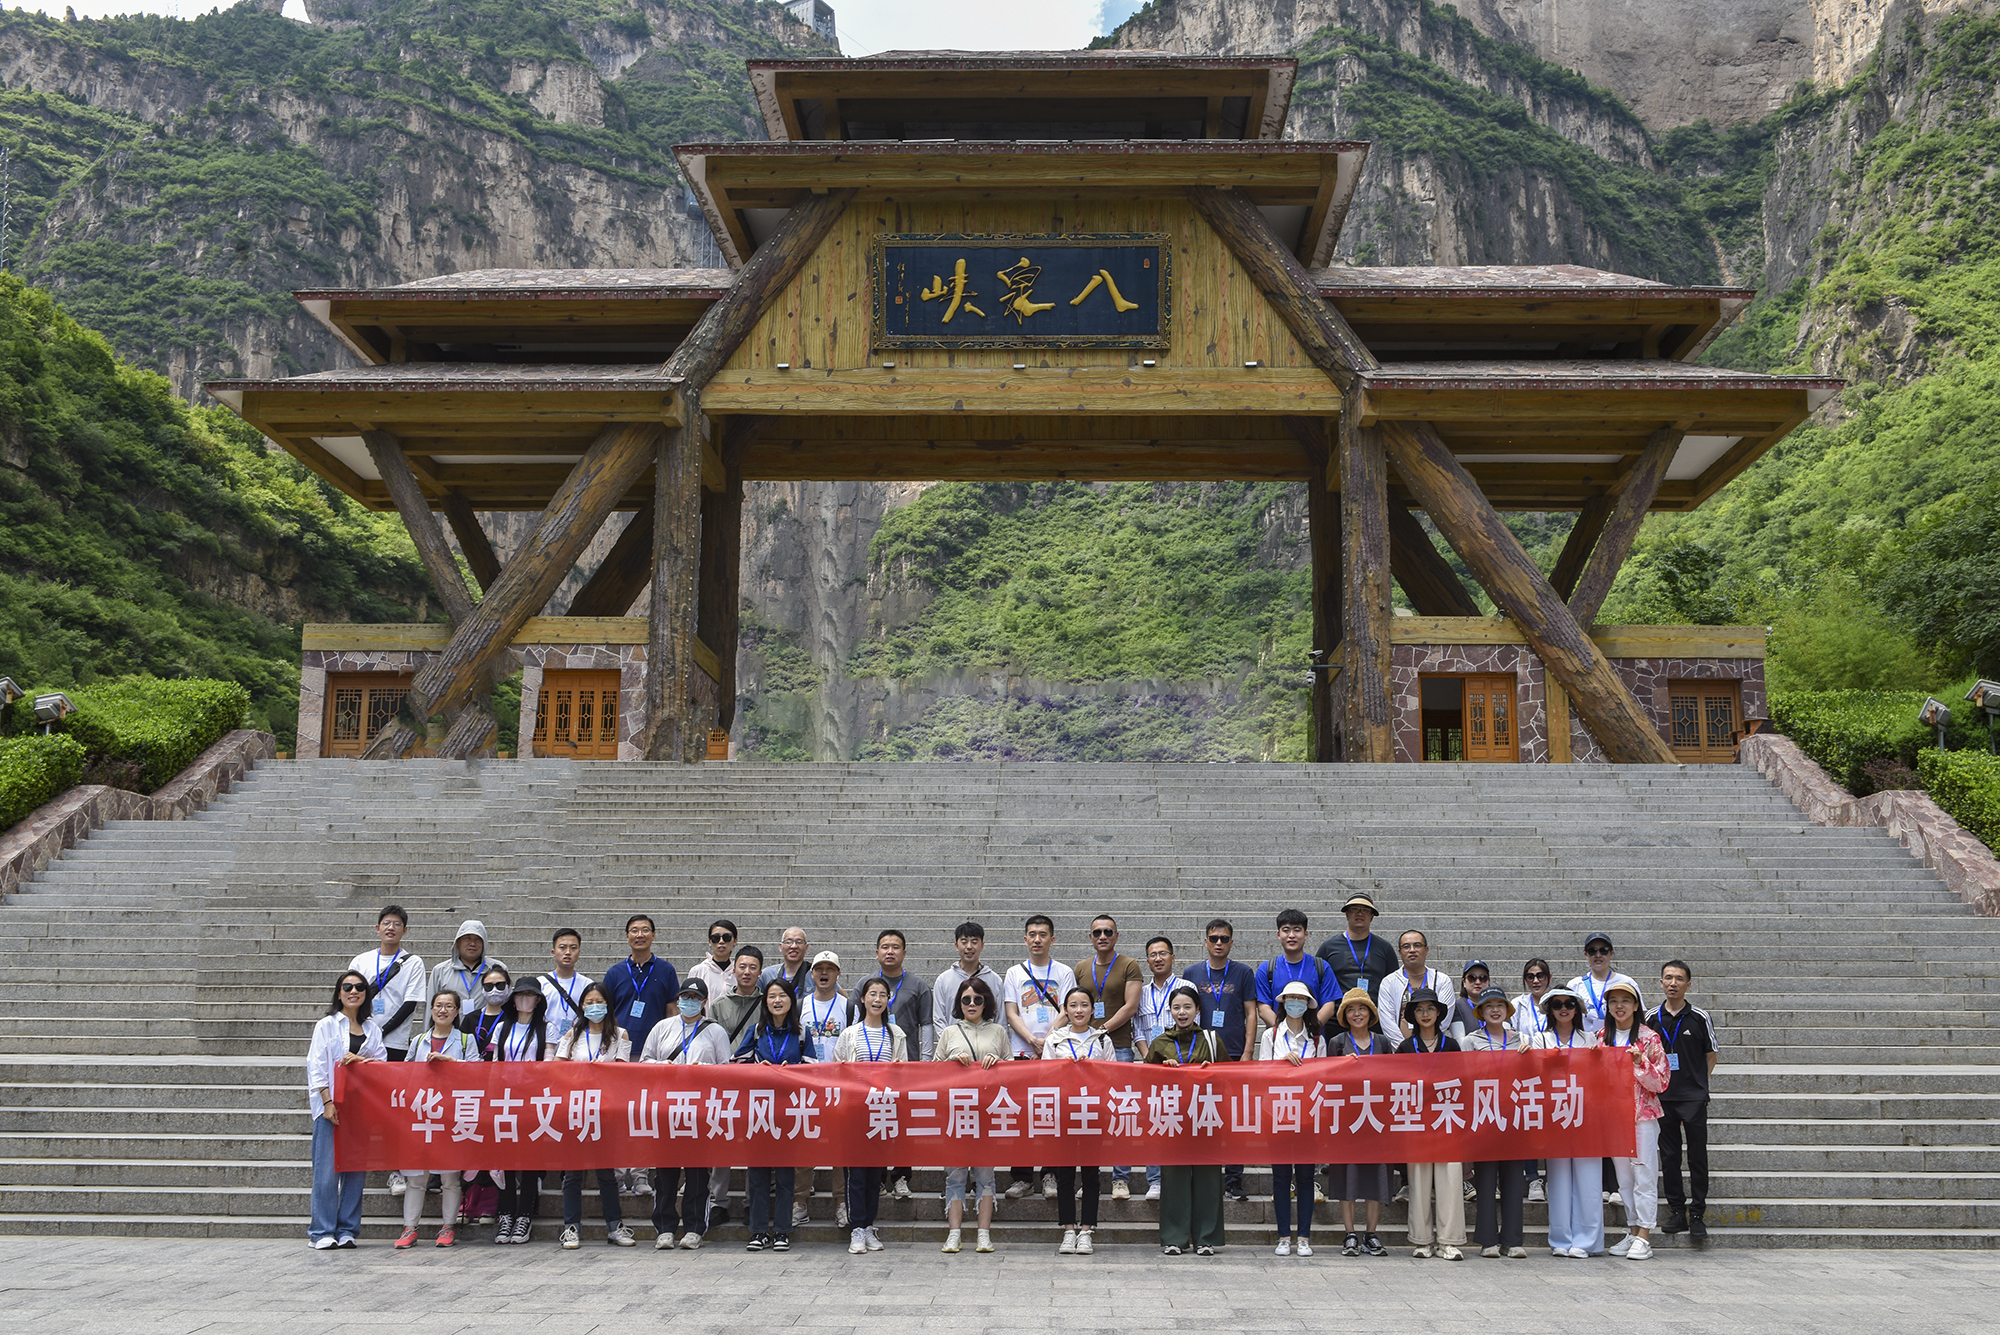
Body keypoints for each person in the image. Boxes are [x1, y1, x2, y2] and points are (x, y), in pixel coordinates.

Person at [639, 977, 732, 1250]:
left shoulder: (715, 1031)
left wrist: (705, 1070)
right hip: (667, 1109)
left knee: (697, 1174)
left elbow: (726, 1070)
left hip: (700, 1111)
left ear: (704, 1002)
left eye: (695, 998)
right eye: (685, 997)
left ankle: (694, 1228)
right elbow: (644, 1063)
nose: (689, 1002)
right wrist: (661, 1066)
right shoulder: (662, 1028)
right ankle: (665, 1227)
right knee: (665, 1173)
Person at [553, 981, 635, 1250]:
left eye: (599, 1001)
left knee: (607, 1175)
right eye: (589, 1002)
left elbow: (624, 1073)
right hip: (576, 1111)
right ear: (582, 1006)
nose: (594, 1006)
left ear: (608, 1004)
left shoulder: (620, 1035)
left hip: (606, 1113)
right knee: (573, 1174)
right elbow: (556, 1070)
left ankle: (614, 1226)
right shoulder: (572, 1036)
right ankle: (571, 1227)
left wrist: (604, 1072)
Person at [306, 970, 384, 1249]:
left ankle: (347, 1229)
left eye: (360, 987)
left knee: (355, 1173)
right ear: (339, 993)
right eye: (347, 987)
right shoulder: (326, 1025)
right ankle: (322, 1231)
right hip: (331, 1107)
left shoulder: (374, 1029)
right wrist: (327, 1102)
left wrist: (362, 1060)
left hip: (360, 1108)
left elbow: (382, 1066)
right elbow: (316, 1067)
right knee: (326, 1172)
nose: (354, 991)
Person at [396, 990, 479, 1249]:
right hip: (421, 1114)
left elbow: (477, 1073)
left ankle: (448, 1227)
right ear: (431, 1010)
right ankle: (409, 1229)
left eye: (449, 1006)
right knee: (416, 1178)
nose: (443, 1010)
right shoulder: (419, 1040)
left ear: (457, 1012)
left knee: (449, 1178)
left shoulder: (465, 1040)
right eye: (438, 1005)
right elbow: (403, 1074)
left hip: (452, 1115)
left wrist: (450, 1061)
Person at [1146, 983, 1225, 1255]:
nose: (1182, 1012)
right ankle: (1174, 1239)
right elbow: (1144, 1083)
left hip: (1205, 1116)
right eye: (1177, 1007)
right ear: (1170, 1011)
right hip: (1172, 1119)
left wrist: (1210, 1071)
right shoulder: (1160, 1043)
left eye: (1187, 1007)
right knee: (1174, 1179)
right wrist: (1162, 1071)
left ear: (1198, 1010)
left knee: (1208, 1179)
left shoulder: (1211, 1041)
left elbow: (1229, 1080)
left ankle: (1206, 1239)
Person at [1003, 915, 1076, 1201]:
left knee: (1051, 1115)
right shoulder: (1014, 973)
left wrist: (1047, 1040)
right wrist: (1032, 1040)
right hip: (1022, 1052)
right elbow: (1012, 1012)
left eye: (1043, 934)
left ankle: (1050, 1173)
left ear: (1052, 939)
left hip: (1055, 1053)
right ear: (1025, 939)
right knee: (1021, 1116)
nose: (1037, 939)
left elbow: (1068, 1009)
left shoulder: (1064, 972)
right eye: (1032, 934)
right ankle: (1022, 1177)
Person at [736, 978, 811, 1253]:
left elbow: (813, 1067)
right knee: (757, 1174)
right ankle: (757, 1231)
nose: (777, 1000)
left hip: (789, 1111)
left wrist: (792, 1069)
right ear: (765, 1002)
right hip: (758, 1111)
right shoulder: (756, 1032)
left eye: (782, 996)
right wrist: (759, 1067)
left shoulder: (801, 1033)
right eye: (771, 996)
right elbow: (737, 1064)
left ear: (791, 1000)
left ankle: (781, 1230)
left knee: (785, 1175)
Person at [935, 975, 1008, 1254]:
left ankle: (983, 1233)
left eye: (978, 999)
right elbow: (933, 1072)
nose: (972, 1004)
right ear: (959, 1003)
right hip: (956, 1113)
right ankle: (954, 1233)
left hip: (988, 1113)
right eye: (966, 999)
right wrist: (951, 1063)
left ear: (986, 1002)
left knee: (986, 1175)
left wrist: (999, 1063)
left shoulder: (999, 1032)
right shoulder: (949, 1033)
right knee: (954, 1175)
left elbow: (1013, 1073)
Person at [857, 928, 931, 1201]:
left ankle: (901, 1176)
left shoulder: (918, 985)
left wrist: (923, 1064)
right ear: (876, 952)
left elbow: (926, 1025)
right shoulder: (865, 984)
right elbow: (856, 1021)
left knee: (901, 1124)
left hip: (903, 1065)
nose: (890, 951)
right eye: (885, 947)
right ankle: (875, 1178)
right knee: (873, 1123)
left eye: (895, 947)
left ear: (904, 952)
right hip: (868, 1072)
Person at [1184, 918, 1255, 1200]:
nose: (1218, 943)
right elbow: (1184, 1010)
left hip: (1234, 1053)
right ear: (1205, 941)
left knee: (1233, 1118)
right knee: (1202, 1116)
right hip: (1200, 1055)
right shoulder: (1191, 972)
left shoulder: (1243, 972)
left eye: (1224, 939)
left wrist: (1249, 1051)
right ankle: (1204, 1175)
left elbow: (1251, 1012)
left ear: (1231, 942)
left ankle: (1233, 1179)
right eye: (1213, 938)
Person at [835, 976, 906, 1255]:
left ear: (888, 1000)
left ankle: (869, 1226)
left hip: (883, 1109)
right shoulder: (850, 1033)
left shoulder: (896, 1034)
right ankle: (857, 1228)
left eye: (882, 995)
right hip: (855, 1110)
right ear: (862, 999)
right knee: (857, 1174)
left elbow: (904, 1072)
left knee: (876, 1173)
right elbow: (838, 1070)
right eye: (872, 994)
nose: (877, 999)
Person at [1649, 959, 1719, 1241]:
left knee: (1697, 1156)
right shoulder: (1651, 1018)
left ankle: (1698, 1213)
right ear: (1661, 982)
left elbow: (1711, 1055)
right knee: (1669, 1157)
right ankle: (1677, 1211)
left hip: (1693, 1097)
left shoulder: (1699, 1017)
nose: (1673, 983)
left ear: (1688, 984)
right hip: (1663, 1097)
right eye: (1668, 978)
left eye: (1679, 979)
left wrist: (1698, 1083)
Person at [1041, 986, 1113, 1255]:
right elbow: (1044, 1077)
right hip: (1064, 1114)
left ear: (1093, 1009)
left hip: (1093, 1114)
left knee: (1091, 1175)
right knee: (1065, 1175)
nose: (1079, 1010)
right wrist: (1065, 1068)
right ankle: (1068, 1230)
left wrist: (1091, 1069)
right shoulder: (1055, 1040)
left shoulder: (1102, 1040)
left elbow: (1112, 1077)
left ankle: (1087, 1231)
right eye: (1073, 1005)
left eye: (1084, 1005)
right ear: (1066, 1010)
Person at [1075, 914, 1143, 1199]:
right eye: (1097, 932)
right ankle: (1088, 1177)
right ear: (1090, 937)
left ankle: (1120, 1178)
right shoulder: (1080, 967)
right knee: (1089, 1114)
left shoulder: (1129, 965)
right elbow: (1074, 1004)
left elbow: (1131, 1006)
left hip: (1120, 1046)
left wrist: (1101, 1029)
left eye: (1108, 932)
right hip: (1087, 1049)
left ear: (1116, 936)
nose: (1102, 936)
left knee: (1121, 1113)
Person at [1393, 987, 1464, 1260]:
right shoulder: (1406, 1047)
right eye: (1420, 1009)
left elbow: (1462, 1083)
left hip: (1447, 1121)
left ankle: (1449, 1240)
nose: (1425, 1014)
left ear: (1438, 1013)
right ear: (1413, 1014)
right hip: (1417, 1123)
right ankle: (1421, 1240)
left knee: (1450, 1179)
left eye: (1430, 1009)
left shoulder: (1452, 1045)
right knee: (1419, 1182)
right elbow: (1397, 1083)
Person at [1602, 980, 1670, 1260]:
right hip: (1614, 1119)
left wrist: (1640, 1062)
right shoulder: (1600, 1038)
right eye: (1614, 1001)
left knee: (1644, 1175)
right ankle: (1632, 1231)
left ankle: (1644, 1234)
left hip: (1642, 1117)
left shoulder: (1648, 1037)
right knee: (1624, 1179)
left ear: (1636, 1005)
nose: (1619, 1006)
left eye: (1625, 1001)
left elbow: (1662, 1082)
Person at [1256, 980, 1325, 1256]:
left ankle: (1305, 1237)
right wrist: (1281, 1064)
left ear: (1307, 1003)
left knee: (1307, 1177)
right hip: (1278, 1114)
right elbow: (1261, 1073)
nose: (1295, 1002)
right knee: (1281, 1178)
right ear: (1283, 1002)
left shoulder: (1318, 1038)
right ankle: (1284, 1236)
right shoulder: (1272, 1036)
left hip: (1308, 1115)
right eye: (1290, 998)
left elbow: (1325, 1076)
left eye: (1300, 998)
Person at [1461, 986, 1530, 1259]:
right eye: (1489, 1006)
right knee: (1486, 1179)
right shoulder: (1470, 1041)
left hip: (1514, 1116)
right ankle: (1488, 1240)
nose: (1495, 1010)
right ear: (1481, 1011)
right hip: (1484, 1114)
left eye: (1500, 1005)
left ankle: (1512, 1240)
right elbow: (1464, 1077)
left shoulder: (1522, 1039)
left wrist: (1529, 1056)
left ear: (1507, 1010)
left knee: (1514, 1178)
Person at [1535, 987, 1603, 1259]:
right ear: (1550, 1010)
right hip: (1555, 1116)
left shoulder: (1591, 1039)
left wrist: (1600, 1055)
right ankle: (1560, 1240)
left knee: (1588, 1179)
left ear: (1578, 1010)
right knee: (1559, 1179)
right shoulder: (1540, 1039)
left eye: (1569, 1004)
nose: (1563, 1008)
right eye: (1557, 1004)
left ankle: (1587, 1241)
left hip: (1587, 1115)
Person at [487, 978, 551, 1245]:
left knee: (530, 1160)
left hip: (533, 1100)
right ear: (513, 999)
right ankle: (505, 1214)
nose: (525, 999)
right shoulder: (502, 1027)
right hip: (505, 1100)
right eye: (521, 995)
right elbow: (492, 1063)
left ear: (538, 1000)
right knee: (506, 1159)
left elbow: (549, 1064)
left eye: (530, 995)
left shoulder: (546, 1029)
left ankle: (524, 1214)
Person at [1327, 988, 1391, 1256]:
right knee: (1347, 1176)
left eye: (1362, 1009)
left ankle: (1371, 1233)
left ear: (1371, 1013)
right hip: (1347, 1120)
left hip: (1376, 1119)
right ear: (1344, 1015)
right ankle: (1350, 1233)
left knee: (1376, 1176)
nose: (1357, 1014)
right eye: (1351, 1009)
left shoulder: (1383, 1042)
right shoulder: (1337, 1042)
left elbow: (1392, 1078)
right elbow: (1327, 1079)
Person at [454, 963, 511, 1227]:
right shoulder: (470, 1019)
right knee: (472, 1144)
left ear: (508, 988)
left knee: (496, 1147)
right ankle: (468, 1203)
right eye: (489, 986)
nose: (495, 990)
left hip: (503, 1091)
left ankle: (490, 1205)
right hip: (472, 1091)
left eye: (500, 985)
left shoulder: (511, 1020)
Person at [798, 950, 851, 1227]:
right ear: (812, 973)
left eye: (830, 968)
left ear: (838, 974)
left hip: (839, 1085)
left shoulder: (848, 1006)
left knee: (840, 1147)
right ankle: (799, 1202)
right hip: (807, 1085)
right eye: (820, 968)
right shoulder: (800, 1005)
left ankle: (842, 1203)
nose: (824, 973)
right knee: (805, 1143)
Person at [1133, 935, 1180, 1201]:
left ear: (1173, 957)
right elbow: (1138, 1030)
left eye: (1163, 953)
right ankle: (1154, 1179)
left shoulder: (1185, 986)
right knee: (1155, 1121)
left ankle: (1178, 1175)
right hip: (1153, 1067)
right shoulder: (1142, 992)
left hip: (1181, 1066)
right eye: (1153, 954)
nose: (1158, 958)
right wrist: (1150, 1057)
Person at [350, 905, 426, 1063]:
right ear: (378, 928)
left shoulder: (414, 963)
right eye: (386, 923)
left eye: (397, 924)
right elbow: (349, 998)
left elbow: (410, 1003)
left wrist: (382, 1031)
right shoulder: (360, 961)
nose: (391, 928)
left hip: (395, 1040)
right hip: (361, 1035)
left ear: (405, 930)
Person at [603, 914, 678, 1055]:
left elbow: (672, 1011)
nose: (640, 935)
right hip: (620, 1046)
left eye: (645, 930)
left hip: (656, 1045)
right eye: (634, 930)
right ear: (627, 935)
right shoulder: (614, 972)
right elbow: (607, 1011)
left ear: (653, 935)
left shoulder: (666, 970)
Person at [1315, 891, 1397, 1001]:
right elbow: (1316, 982)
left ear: (1372, 917)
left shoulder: (1384, 948)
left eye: (1365, 910)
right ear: (1347, 914)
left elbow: (1394, 984)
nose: (1360, 914)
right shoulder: (1329, 947)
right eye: (1354, 909)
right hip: (1337, 1015)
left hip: (1375, 1015)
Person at [1376, 929, 1452, 1046]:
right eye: (1406, 946)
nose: (1412, 950)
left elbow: (1444, 1018)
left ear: (1426, 950)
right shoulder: (1389, 982)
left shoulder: (1442, 980)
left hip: (1433, 1051)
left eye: (1417, 945)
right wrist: (1406, 1050)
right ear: (1400, 952)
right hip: (1401, 1053)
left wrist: (1429, 1046)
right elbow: (1387, 1022)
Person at [932, 921, 1005, 1041]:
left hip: (987, 1050)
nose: (969, 947)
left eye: (974, 942)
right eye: (964, 942)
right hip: (954, 1050)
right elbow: (939, 1018)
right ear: (956, 946)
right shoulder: (944, 980)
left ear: (982, 946)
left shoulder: (994, 980)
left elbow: (1000, 1018)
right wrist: (950, 1045)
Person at [1567, 932, 1639, 1033]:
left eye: (1603, 951)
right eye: (1592, 951)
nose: (1598, 955)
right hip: (1584, 1044)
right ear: (1586, 955)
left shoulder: (1627, 982)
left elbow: (1639, 1016)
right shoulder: (1575, 985)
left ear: (1611, 954)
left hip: (1618, 1043)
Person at [430, 919, 505, 1008]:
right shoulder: (440, 971)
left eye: (478, 939)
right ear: (458, 942)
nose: (472, 944)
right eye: (467, 939)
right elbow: (431, 1007)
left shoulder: (496, 969)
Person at [539, 927, 592, 1034]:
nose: (568, 952)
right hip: (547, 1042)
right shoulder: (541, 984)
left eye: (573, 948)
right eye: (562, 947)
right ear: (553, 952)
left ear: (579, 952)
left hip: (577, 1042)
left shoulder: (587, 985)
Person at [688, 919, 739, 1012]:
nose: (721, 941)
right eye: (716, 938)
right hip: (705, 1025)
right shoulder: (698, 971)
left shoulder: (739, 972)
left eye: (726, 937)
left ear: (735, 941)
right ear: (710, 942)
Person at [1447, 960, 1491, 1042]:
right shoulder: (1458, 1006)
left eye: (1483, 978)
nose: (1478, 982)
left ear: (1488, 982)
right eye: (1472, 978)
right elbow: (1460, 1041)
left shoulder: (1498, 1005)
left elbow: (1505, 1036)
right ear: (1464, 982)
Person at [760, 926, 812, 996]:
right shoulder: (767, 975)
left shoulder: (815, 975)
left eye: (799, 942)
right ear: (781, 947)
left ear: (806, 948)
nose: (794, 946)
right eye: (788, 942)